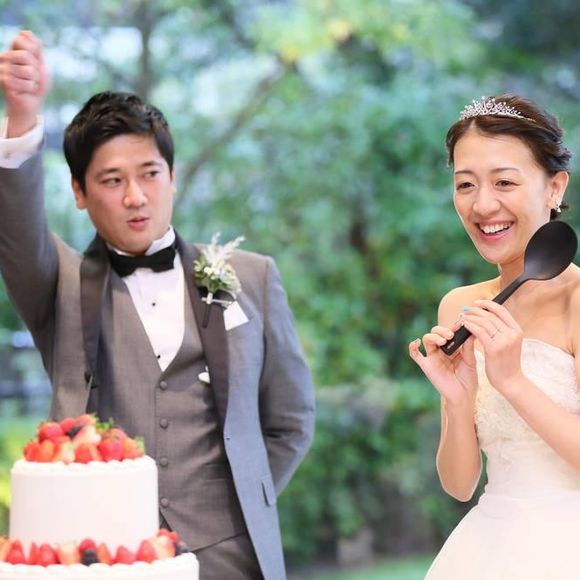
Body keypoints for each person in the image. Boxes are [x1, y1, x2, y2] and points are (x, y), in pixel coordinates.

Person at [0, 30, 315, 580]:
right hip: (108, 557)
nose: (136, 196)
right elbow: (19, 232)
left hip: (232, 558)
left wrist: (241, 502)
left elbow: (290, 421)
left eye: (149, 174)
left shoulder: (252, 277)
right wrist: (24, 119)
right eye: (112, 180)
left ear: (172, 175)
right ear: (79, 192)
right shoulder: (58, 285)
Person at [409, 93, 580, 579]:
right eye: (466, 184)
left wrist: (513, 381)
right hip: (486, 545)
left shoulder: (577, 301)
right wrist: (457, 399)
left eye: (504, 182)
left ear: (554, 188)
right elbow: (459, 484)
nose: (483, 205)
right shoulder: (459, 306)